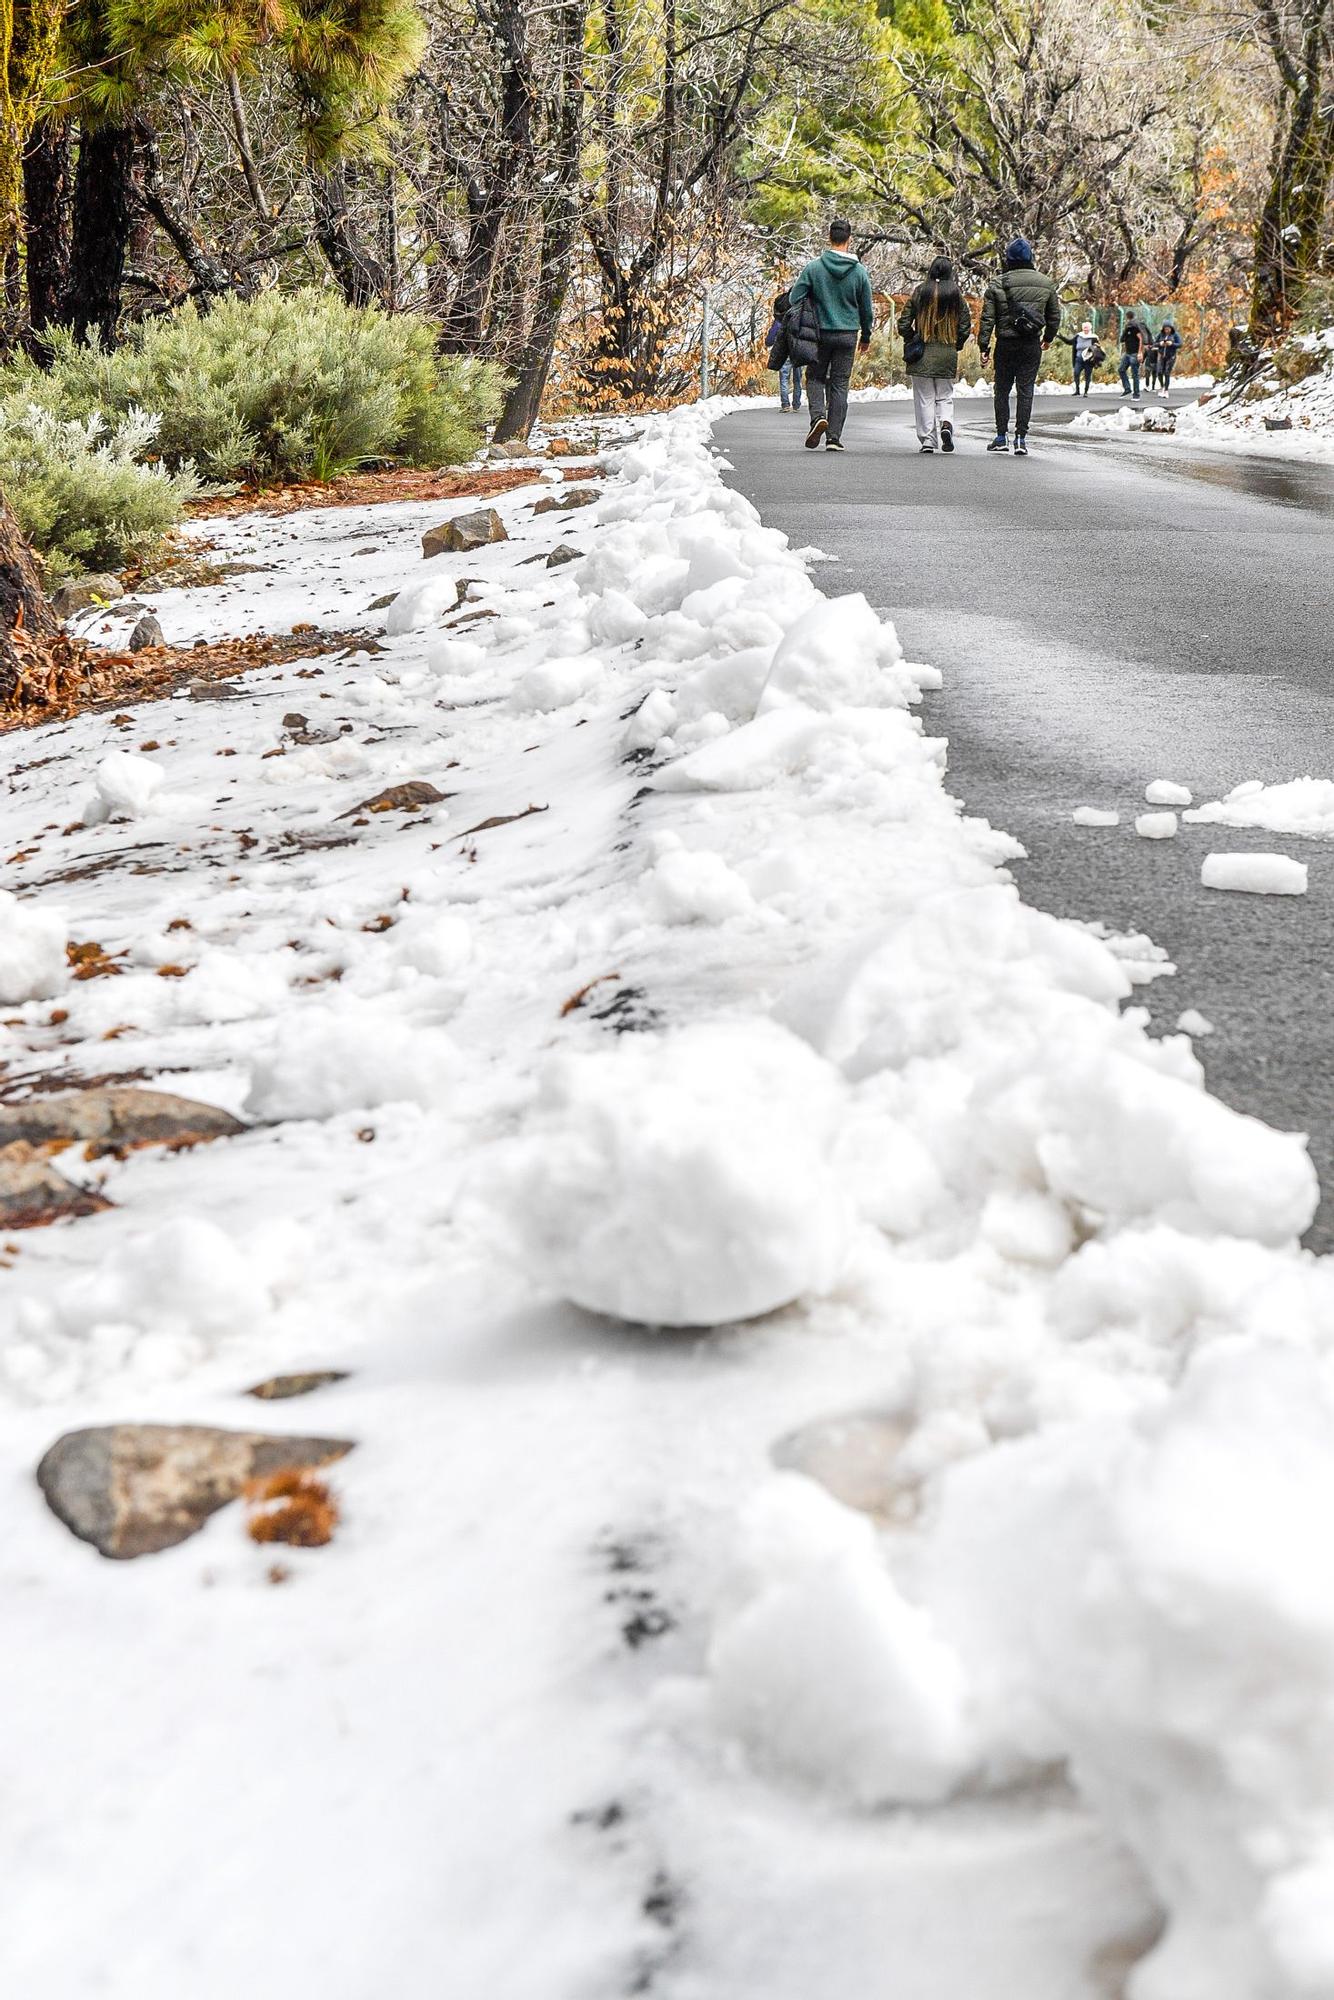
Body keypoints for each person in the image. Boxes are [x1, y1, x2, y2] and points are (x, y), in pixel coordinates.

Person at [788, 217, 875, 452]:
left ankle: (818, 417)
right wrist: (866, 336)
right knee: (839, 383)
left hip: (819, 333)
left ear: (829, 237)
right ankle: (834, 438)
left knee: (815, 377)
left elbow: (794, 298)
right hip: (847, 334)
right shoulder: (859, 273)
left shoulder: (814, 268)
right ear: (849, 239)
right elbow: (867, 308)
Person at [978, 236, 1060, 456]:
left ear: (1009, 259)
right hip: (1031, 345)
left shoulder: (997, 283)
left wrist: (983, 346)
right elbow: (1054, 316)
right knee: (1026, 391)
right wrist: (1048, 338)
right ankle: (1021, 439)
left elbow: (987, 319)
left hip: (1005, 344)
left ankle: (1001, 436)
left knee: (1002, 390)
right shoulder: (1045, 283)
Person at [897, 255, 972, 453]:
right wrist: (957, 344)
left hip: (922, 353)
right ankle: (946, 423)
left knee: (925, 398)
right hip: (947, 352)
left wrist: (912, 338)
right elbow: (965, 326)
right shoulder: (956, 294)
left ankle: (928, 440)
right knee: (945, 396)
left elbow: (903, 323)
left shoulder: (920, 291)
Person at [766, 292, 803, 412]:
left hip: (785, 352)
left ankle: (785, 404)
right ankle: (796, 404)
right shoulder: (798, 317)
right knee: (797, 379)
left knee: (784, 378)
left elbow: (770, 339)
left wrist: (769, 343)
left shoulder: (778, 322)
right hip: (798, 350)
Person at [1119, 316, 1148, 399]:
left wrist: (1140, 353)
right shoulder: (1127, 330)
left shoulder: (1136, 330)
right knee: (1121, 369)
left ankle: (1136, 394)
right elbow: (1122, 340)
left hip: (1135, 354)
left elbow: (1141, 340)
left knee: (1134, 374)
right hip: (1127, 353)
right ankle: (1127, 388)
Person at [1070, 320, 1099, 396]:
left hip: (1088, 359)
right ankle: (1077, 390)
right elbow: (1070, 342)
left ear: (1090, 329)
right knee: (1076, 373)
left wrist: (1096, 361)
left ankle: (1086, 391)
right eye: (1084, 328)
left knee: (1087, 375)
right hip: (1079, 358)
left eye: (1087, 328)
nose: (1085, 329)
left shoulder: (1094, 338)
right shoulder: (1078, 336)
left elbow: (1097, 349)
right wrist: (1060, 336)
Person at [1158, 321, 1183, 393]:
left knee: (1167, 372)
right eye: (1165, 329)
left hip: (1171, 356)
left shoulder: (1175, 335)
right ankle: (1162, 386)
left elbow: (1180, 344)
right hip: (1162, 355)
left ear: (1171, 329)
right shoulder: (1161, 335)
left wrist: (1172, 344)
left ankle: (1166, 389)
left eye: (1168, 329)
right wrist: (1160, 343)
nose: (1167, 331)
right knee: (1159, 372)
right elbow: (1155, 343)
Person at [1143, 326, 1161, 393]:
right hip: (1149, 362)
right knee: (1148, 374)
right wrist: (1142, 362)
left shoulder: (1156, 348)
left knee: (1153, 375)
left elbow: (1160, 354)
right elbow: (1145, 355)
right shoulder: (1147, 349)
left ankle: (1153, 387)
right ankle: (1148, 386)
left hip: (1154, 363)